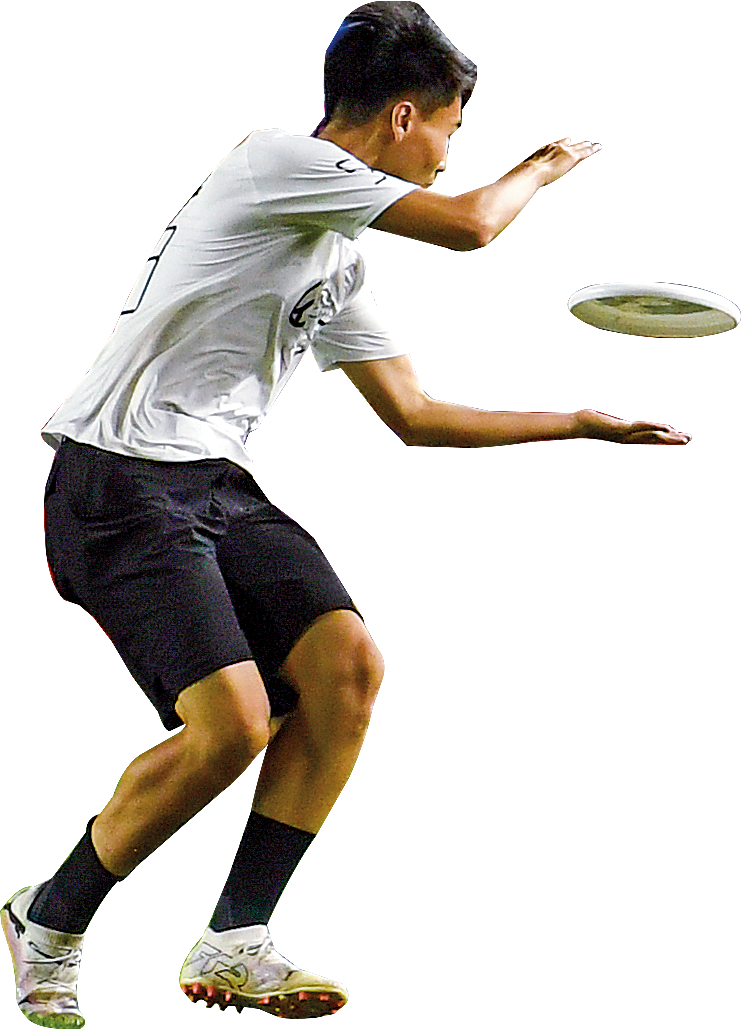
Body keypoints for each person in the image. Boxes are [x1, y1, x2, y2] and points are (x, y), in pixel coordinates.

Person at [2, 4, 687, 1026]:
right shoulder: (273, 161)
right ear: (404, 116)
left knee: (345, 667)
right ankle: (49, 922)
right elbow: (471, 225)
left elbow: (414, 414)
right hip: (120, 481)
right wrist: (543, 170)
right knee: (231, 727)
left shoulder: (332, 252)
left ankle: (238, 938)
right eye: (448, 133)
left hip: (210, 483)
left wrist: (577, 424)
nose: (445, 156)